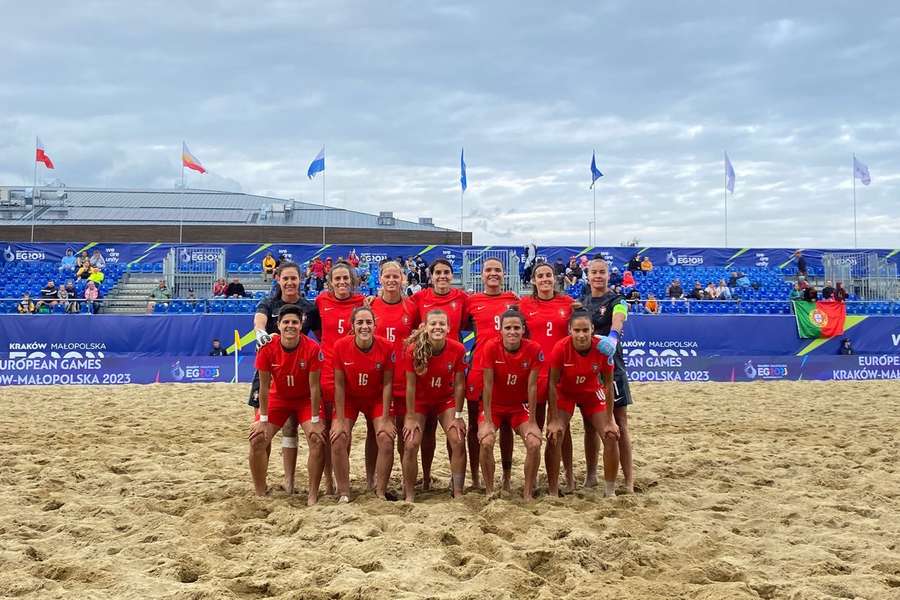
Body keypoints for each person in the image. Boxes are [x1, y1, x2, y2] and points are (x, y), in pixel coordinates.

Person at [248, 304, 326, 504]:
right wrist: (262, 419)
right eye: (286, 322)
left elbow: (315, 388)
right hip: (278, 398)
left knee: (317, 438)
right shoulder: (266, 348)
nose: (290, 326)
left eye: (294, 322)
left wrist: (316, 420)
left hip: (305, 399)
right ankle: (260, 492)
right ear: (278, 325)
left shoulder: (312, 348)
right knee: (257, 438)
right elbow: (264, 387)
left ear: (301, 325)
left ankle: (312, 494)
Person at [251, 261, 314, 494]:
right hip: (270, 371)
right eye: (285, 278)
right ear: (278, 279)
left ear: (300, 280)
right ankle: (262, 481)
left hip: (299, 373)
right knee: (261, 428)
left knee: (291, 428)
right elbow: (259, 320)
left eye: (293, 278)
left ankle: (289, 481)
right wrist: (260, 333)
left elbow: (321, 335)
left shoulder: (309, 307)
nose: (289, 282)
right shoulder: (268, 303)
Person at [303, 261, 366, 495]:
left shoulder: (362, 303)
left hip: (351, 373)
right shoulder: (321, 301)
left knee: (343, 431)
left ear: (353, 281)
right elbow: (318, 332)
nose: (342, 282)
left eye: (345, 278)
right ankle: (329, 482)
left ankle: (342, 482)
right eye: (337, 279)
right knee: (328, 430)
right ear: (329, 282)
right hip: (327, 372)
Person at [545, 311, 620, 497]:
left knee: (611, 435)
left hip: (591, 392)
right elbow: (552, 384)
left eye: (585, 330)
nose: (581, 335)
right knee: (554, 434)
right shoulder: (560, 348)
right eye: (577, 330)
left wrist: (610, 419)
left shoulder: (603, 349)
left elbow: (608, 384)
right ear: (570, 330)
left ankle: (609, 492)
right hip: (566, 393)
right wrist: (553, 419)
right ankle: (553, 491)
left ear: (592, 330)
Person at [519, 262, 576, 491]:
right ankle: (532, 481)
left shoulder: (568, 303)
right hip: (534, 374)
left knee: (562, 428)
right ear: (533, 280)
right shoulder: (524, 304)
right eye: (540, 276)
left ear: (555, 278)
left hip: (561, 374)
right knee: (536, 425)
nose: (545, 279)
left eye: (548, 275)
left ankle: (568, 477)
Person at [400, 309, 467, 502]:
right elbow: (410, 386)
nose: (437, 327)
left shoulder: (458, 349)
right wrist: (411, 417)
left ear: (448, 328)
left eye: (441, 324)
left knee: (458, 438)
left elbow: (460, 384)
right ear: (425, 327)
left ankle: (458, 491)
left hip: (444, 400)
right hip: (420, 401)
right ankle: (410, 494)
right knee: (411, 443)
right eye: (433, 324)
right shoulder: (413, 350)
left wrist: (459, 415)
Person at [580, 257, 634, 494]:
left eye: (602, 272)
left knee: (620, 422)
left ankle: (629, 480)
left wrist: (613, 335)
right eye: (594, 272)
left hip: (613, 366)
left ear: (609, 275)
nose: (598, 276)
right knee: (590, 425)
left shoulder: (617, 299)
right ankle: (591, 475)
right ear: (588, 275)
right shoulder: (582, 302)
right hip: (588, 370)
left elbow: (619, 316)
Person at [330, 306, 396, 501]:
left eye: (368, 322)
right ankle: (343, 492)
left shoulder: (386, 346)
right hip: (350, 397)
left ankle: (380, 491)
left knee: (385, 437)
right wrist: (341, 420)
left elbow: (388, 383)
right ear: (352, 326)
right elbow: (339, 385)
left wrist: (385, 418)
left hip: (375, 397)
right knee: (339, 437)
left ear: (375, 325)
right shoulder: (341, 346)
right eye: (360, 322)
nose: (364, 326)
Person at [464, 258, 518, 490]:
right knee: (475, 424)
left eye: (497, 270)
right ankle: (476, 476)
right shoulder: (471, 301)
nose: (493, 273)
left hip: (506, 371)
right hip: (478, 368)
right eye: (489, 270)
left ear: (503, 274)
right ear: (482, 275)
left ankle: (505, 477)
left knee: (505, 424)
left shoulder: (514, 300)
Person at [478, 310, 543, 500]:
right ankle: (490, 491)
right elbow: (487, 386)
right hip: (494, 406)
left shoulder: (533, 349)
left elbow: (532, 388)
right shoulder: (491, 347)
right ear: (500, 330)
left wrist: (532, 421)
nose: (512, 332)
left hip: (518, 406)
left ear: (523, 329)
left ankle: (527, 492)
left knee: (534, 442)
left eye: (516, 328)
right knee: (486, 440)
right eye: (508, 328)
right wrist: (488, 421)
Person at [370, 260, 419, 491]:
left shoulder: (412, 308)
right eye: (387, 276)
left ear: (403, 279)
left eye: (396, 276)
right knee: (377, 434)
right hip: (380, 382)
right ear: (379, 279)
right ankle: (374, 482)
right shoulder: (370, 307)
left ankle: (405, 481)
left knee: (405, 435)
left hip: (406, 380)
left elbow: (420, 339)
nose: (391, 280)